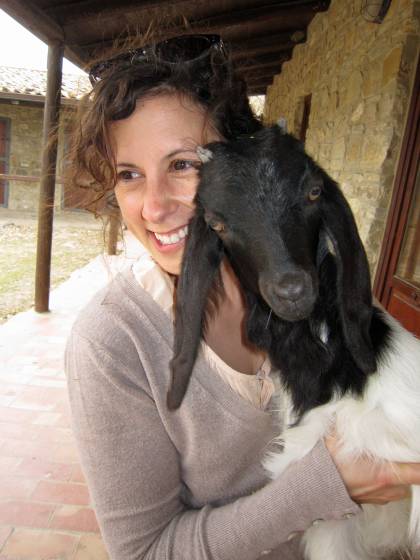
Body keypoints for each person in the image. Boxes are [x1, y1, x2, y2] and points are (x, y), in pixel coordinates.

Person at [65, 34, 420, 560]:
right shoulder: (113, 344)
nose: (155, 207)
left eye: (184, 164)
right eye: (129, 175)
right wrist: (329, 486)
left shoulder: (309, 283)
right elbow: (145, 553)